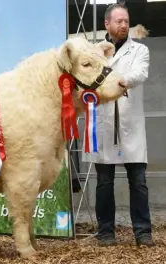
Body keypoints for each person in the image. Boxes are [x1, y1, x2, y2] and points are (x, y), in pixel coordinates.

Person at [82, 3, 155, 247]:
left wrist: (119, 82)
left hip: (130, 124)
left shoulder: (140, 50)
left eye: (126, 21)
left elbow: (141, 74)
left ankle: (143, 233)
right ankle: (106, 233)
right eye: (119, 21)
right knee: (104, 182)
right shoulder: (94, 52)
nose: (124, 25)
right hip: (102, 122)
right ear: (107, 24)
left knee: (138, 181)